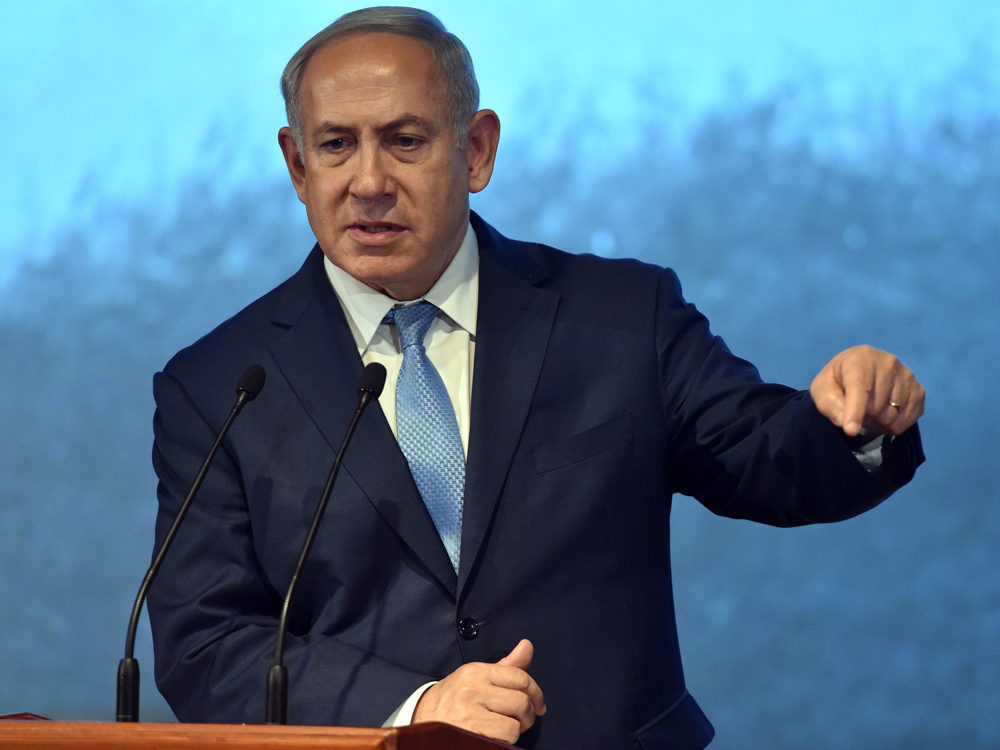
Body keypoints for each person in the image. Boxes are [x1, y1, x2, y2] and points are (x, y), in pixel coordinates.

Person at [147, 7, 925, 749]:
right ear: (296, 164)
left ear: (477, 149)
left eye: (406, 140)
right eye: (337, 146)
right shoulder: (221, 385)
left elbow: (765, 458)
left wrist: (852, 420)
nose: (369, 180)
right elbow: (205, 643)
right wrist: (416, 708)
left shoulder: (623, 318)